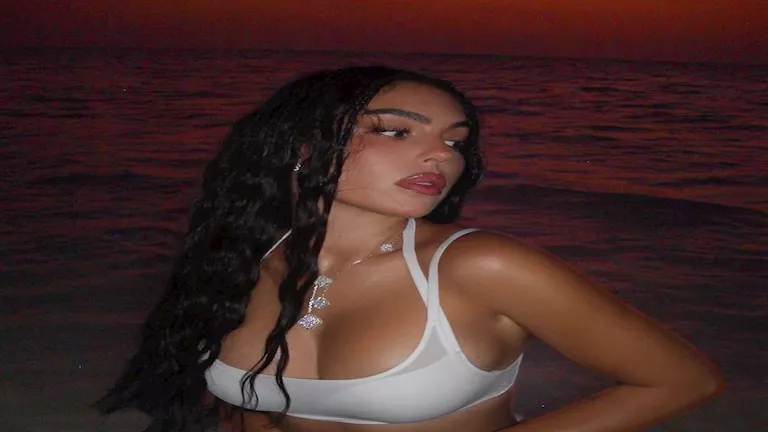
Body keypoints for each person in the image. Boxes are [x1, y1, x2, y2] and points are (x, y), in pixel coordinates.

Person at [96, 66, 722, 432]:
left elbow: (680, 381)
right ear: (302, 147)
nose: (440, 156)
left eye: (456, 140)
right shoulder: (241, 257)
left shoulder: (482, 266)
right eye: (395, 131)